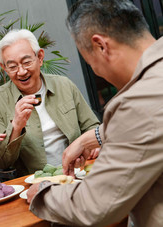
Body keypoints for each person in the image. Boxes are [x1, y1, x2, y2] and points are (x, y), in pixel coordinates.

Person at [27, 1, 163, 226]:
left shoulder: (139, 100)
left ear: (101, 46)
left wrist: (43, 193)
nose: (96, 71)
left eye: (90, 63)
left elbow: (96, 206)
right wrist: (92, 138)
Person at [0, 29, 99, 177]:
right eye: (12, 67)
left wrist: (93, 146)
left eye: (26, 62)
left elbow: (91, 126)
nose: (21, 72)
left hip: (78, 173)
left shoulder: (64, 85)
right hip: (34, 183)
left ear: (39, 57)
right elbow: (0, 162)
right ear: (4, 68)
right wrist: (16, 126)